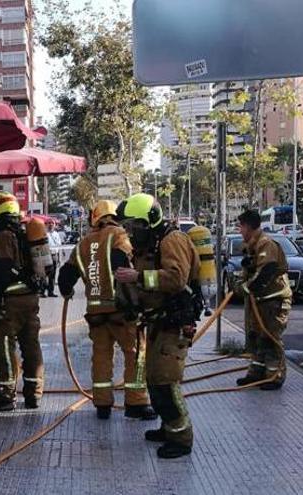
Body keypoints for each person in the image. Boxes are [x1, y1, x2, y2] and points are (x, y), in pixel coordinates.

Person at [115, 193, 200, 459]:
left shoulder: (172, 240)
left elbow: (175, 279)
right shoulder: (149, 244)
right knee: (153, 378)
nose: (131, 232)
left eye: (134, 226)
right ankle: (168, 427)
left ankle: (181, 437)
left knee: (165, 379)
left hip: (174, 322)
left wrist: (138, 276)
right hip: (157, 321)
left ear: (149, 221)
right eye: (128, 227)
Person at [56, 200, 156, 421]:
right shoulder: (118, 235)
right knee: (135, 354)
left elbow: (66, 275)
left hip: (96, 314)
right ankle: (136, 403)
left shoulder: (83, 243)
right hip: (122, 310)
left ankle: (102, 404)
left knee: (101, 356)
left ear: (95, 217)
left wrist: (66, 291)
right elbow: (120, 259)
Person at [0, 192, 44, 413]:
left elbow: (2, 272)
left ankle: (5, 395)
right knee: (31, 346)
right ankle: (34, 394)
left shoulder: (3, 235)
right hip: (31, 301)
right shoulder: (24, 234)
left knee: (2, 348)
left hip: (11, 304)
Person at [234, 210, 292, 390]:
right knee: (257, 338)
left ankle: (275, 376)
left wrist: (246, 288)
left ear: (249, 227)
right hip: (260, 301)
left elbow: (266, 271)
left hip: (274, 300)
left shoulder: (266, 245)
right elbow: (251, 269)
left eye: (241, 226)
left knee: (270, 338)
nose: (239, 231)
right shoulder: (252, 245)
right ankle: (256, 374)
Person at [42, 222, 63, 297]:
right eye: (49, 224)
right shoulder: (44, 234)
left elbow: (59, 246)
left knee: (52, 275)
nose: (51, 225)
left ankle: (51, 291)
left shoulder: (56, 234)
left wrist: (59, 258)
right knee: (44, 273)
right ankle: (43, 291)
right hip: (47, 255)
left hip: (54, 255)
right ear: (47, 225)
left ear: (54, 225)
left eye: (52, 224)